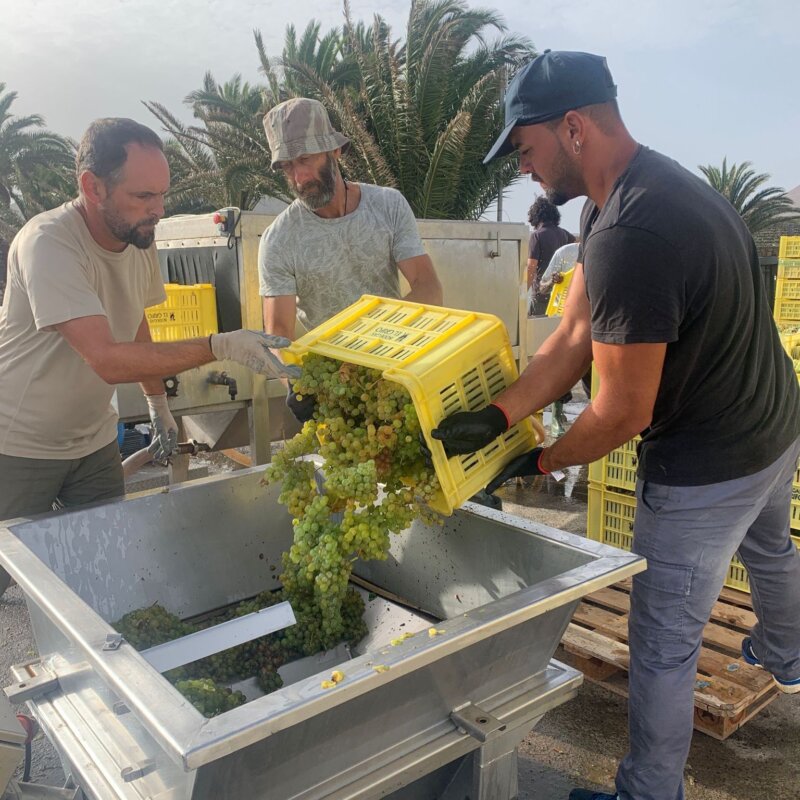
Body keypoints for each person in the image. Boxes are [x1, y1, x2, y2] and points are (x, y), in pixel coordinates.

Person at [429, 50, 800, 800]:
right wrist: (499, 415)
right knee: (772, 550)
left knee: (661, 645)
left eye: (525, 150)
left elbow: (623, 411)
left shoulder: (635, 231)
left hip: (708, 463)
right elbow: (570, 338)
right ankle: (790, 653)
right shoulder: (625, 197)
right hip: (774, 421)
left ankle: (647, 792)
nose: (523, 170)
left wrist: (539, 464)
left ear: (572, 127)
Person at [0, 118, 298, 595]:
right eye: (143, 196)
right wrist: (217, 345)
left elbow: (134, 320)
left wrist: (158, 405)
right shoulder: (48, 243)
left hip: (92, 444)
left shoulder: (138, 235)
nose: (158, 210)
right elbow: (107, 359)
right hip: (18, 445)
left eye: (162, 195)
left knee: (108, 572)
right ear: (91, 186)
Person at [258, 98, 442, 421]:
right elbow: (278, 333)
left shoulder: (388, 206)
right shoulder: (280, 239)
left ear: (335, 151)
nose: (299, 178)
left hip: (397, 375)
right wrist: (296, 383)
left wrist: (375, 342)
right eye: (287, 166)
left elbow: (428, 289)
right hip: (337, 397)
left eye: (305, 159)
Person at [527, 196, 575, 315]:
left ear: (535, 216)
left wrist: (521, 293)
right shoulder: (565, 234)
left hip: (542, 295)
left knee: (538, 331)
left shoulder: (536, 236)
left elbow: (531, 268)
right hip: (560, 296)